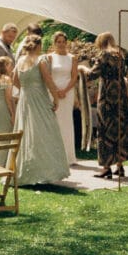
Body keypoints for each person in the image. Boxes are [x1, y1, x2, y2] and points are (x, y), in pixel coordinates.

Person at [12, 34, 70, 186]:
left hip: (25, 100)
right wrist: (55, 98)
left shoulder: (20, 61)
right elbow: (48, 80)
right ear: (38, 46)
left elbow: (15, 81)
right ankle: (45, 171)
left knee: (26, 133)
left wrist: (26, 89)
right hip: (39, 99)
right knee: (45, 131)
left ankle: (27, 170)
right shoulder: (40, 60)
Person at [83, 32, 128, 179]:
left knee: (106, 131)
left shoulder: (104, 56)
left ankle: (106, 168)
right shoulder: (120, 56)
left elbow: (92, 75)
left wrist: (82, 69)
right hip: (121, 99)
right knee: (120, 131)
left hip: (107, 99)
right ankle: (120, 166)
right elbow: (124, 74)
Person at [47, 31, 80, 165]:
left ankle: (69, 156)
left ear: (67, 43)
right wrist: (55, 90)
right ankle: (54, 154)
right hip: (53, 91)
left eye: (63, 42)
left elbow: (74, 77)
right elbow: (47, 76)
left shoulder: (72, 58)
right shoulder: (49, 57)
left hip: (68, 92)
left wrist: (65, 90)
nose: (61, 44)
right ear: (54, 43)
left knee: (66, 122)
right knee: (54, 121)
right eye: (58, 42)